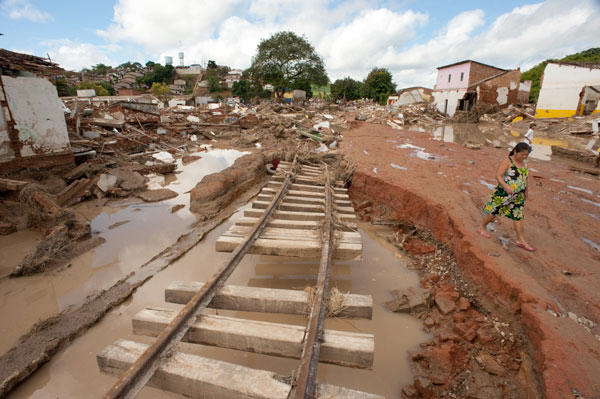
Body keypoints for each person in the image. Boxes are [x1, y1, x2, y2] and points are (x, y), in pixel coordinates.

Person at [478, 142, 535, 251]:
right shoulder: (508, 161)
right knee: (493, 213)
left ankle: (521, 240)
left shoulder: (524, 163)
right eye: (522, 154)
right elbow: (498, 176)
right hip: (504, 194)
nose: (524, 157)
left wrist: (526, 191)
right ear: (515, 152)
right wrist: (506, 187)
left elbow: (525, 178)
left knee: (518, 217)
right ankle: (482, 227)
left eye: (526, 155)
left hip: (518, 196)